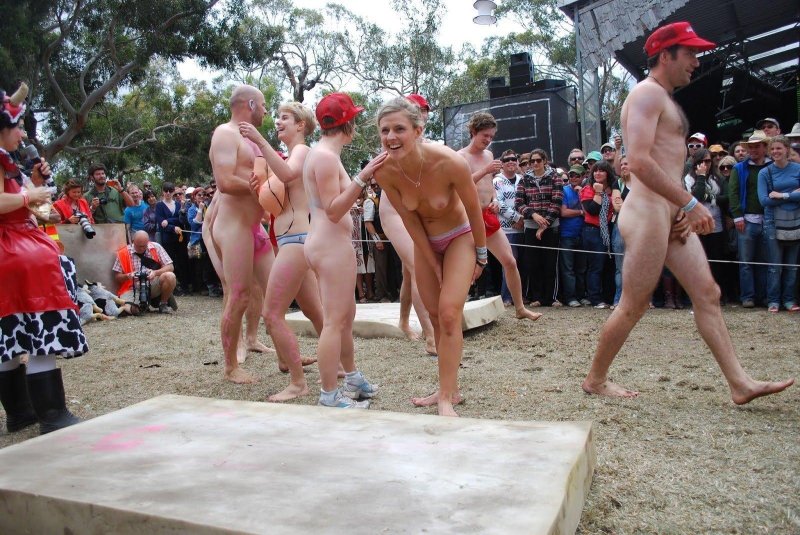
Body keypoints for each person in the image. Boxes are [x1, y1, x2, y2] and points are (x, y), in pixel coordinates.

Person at [581, 21, 793, 404]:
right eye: (690, 53)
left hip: (667, 211)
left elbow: (662, 161)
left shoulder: (661, 98)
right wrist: (689, 202)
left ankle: (739, 383)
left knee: (708, 293)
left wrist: (678, 206)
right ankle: (595, 379)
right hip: (647, 213)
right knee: (634, 305)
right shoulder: (647, 94)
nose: (696, 61)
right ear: (666, 55)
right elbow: (639, 161)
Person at [374, 97, 486, 417]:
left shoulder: (449, 161)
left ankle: (446, 398)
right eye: (385, 130)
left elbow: (474, 210)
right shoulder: (385, 171)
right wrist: (430, 259)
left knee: (449, 314)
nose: (391, 137)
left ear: (418, 130)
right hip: (424, 242)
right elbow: (409, 220)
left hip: (460, 237)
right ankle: (448, 388)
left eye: (399, 129)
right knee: (435, 317)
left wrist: (481, 256)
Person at [0, 84, 87, 435]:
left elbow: (39, 210)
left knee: (10, 335)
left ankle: (20, 412)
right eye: (18, 127)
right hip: (17, 253)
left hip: (17, 247)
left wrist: (34, 184)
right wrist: (29, 196)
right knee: (40, 332)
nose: (23, 134)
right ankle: (52, 413)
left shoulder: (11, 165)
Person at [303, 92, 387, 409]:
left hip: (327, 243)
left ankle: (352, 377)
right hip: (330, 246)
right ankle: (329, 394)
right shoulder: (325, 157)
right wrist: (363, 178)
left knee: (345, 317)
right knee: (335, 322)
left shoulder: (324, 154)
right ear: (348, 124)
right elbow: (334, 210)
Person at [239, 100, 326, 401]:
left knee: (272, 314)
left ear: (301, 125)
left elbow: (288, 175)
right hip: (293, 238)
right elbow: (274, 208)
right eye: (277, 116)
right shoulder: (288, 157)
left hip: (296, 240)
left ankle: (298, 382)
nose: (277, 121)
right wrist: (259, 188)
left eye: (285, 117)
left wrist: (258, 140)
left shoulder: (301, 151)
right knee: (315, 311)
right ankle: (341, 365)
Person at [206, 84, 276, 384]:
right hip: (233, 226)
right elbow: (224, 181)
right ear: (250, 104)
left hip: (255, 226)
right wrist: (261, 187)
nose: (266, 110)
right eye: (263, 104)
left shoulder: (253, 139)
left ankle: (286, 356)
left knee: (276, 291)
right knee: (239, 295)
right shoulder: (225, 133)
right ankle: (230, 366)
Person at [458, 112, 540, 319]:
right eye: (485, 135)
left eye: (491, 136)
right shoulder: (460, 157)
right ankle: (453, 313)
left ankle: (520, 308)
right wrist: (486, 170)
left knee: (510, 261)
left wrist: (495, 199)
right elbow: (460, 186)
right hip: (467, 218)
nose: (488, 140)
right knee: (466, 269)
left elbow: (489, 185)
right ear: (473, 132)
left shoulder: (488, 154)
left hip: (488, 214)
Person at [729, 130, 772, 308]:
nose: (753, 150)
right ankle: (747, 296)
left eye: (757, 146)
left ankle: (762, 296)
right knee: (745, 261)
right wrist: (737, 216)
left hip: (768, 219)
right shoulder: (739, 168)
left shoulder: (772, 167)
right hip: (746, 219)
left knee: (764, 261)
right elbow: (733, 193)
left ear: (764, 147)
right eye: (751, 147)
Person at [757, 135, 800, 312]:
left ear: (787, 149)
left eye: (779, 148)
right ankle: (773, 300)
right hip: (772, 222)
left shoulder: (798, 169)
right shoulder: (764, 173)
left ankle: (789, 299)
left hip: (796, 221)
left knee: (792, 265)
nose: (775, 152)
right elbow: (764, 200)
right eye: (772, 149)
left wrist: (782, 195)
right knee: (775, 266)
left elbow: (773, 198)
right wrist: (794, 194)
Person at [580, 160, 618, 308]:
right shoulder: (588, 188)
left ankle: (608, 297)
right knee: (596, 266)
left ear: (608, 173)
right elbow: (592, 210)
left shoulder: (614, 188)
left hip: (609, 230)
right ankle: (595, 299)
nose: (597, 173)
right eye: (595, 170)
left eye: (601, 170)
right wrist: (598, 192)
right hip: (592, 230)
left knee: (609, 265)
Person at [113, 230, 178, 314]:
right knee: (131, 310)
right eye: (138, 246)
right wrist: (128, 276)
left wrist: (155, 273)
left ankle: (163, 304)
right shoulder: (122, 253)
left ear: (148, 241)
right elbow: (117, 277)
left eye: (144, 246)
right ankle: (141, 307)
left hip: (152, 283)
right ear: (133, 241)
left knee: (170, 276)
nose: (141, 248)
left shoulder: (156, 247)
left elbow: (170, 266)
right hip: (132, 287)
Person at [493, 149, 524, 306]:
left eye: (513, 159)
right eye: (506, 160)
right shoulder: (497, 181)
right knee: (510, 263)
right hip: (506, 229)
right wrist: (516, 218)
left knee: (522, 263)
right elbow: (499, 204)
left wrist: (524, 219)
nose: (510, 161)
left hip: (524, 227)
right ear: (502, 164)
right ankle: (507, 297)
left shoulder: (522, 179)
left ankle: (521, 296)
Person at [559, 164, 587, 307]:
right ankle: (570, 297)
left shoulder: (586, 190)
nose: (574, 178)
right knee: (568, 268)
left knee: (581, 268)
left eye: (577, 175)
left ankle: (581, 295)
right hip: (567, 234)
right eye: (571, 175)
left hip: (582, 233)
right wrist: (580, 212)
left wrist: (581, 195)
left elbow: (588, 211)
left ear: (583, 177)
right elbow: (563, 212)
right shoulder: (564, 190)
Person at [155, 181, 189, 294]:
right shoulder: (159, 205)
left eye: (170, 191)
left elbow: (180, 220)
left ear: (173, 191)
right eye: (166, 191)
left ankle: (184, 286)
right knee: (170, 263)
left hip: (180, 238)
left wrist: (168, 221)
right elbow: (161, 223)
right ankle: (173, 287)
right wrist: (173, 227)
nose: (168, 193)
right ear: (163, 192)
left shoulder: (178, 204)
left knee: (182, 261)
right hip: (167, 239)